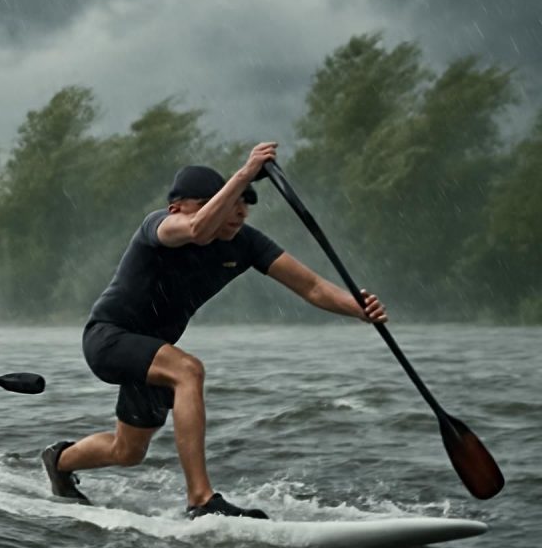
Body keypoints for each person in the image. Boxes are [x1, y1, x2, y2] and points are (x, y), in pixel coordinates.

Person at [41, 142, 388, 519]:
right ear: (177, 207)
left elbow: (313, 287)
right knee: (188, 370)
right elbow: (196, 228)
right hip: (108, 338)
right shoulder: (161, 226)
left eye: (243, 204)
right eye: (218, 202)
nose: (237, 211)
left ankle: (59, 462)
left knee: (128, 451)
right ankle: (201, 500)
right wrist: (245, 172)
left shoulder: (246, 243)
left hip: (151, 350)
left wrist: (357, 308)